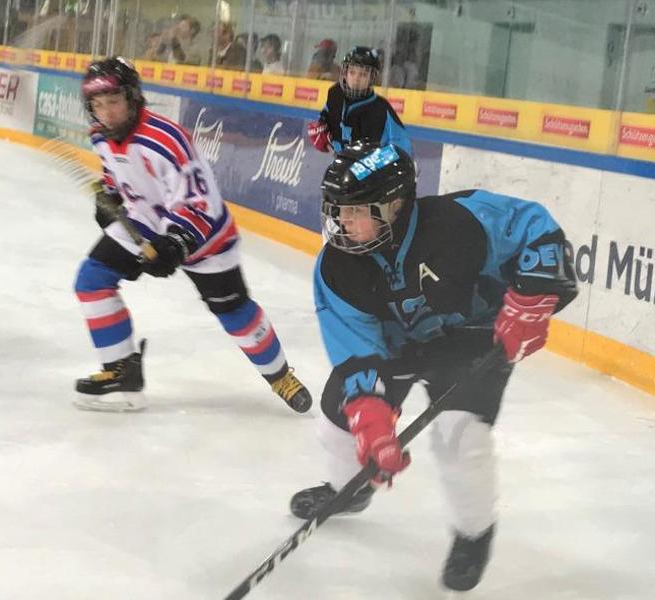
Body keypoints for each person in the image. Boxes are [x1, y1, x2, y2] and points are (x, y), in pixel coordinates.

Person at [291, 142, 578, 591]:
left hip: (471, 337)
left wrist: (535, 295)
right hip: (393, 345)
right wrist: (370, 414)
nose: (341, 223)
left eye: (355, 212)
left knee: (461, 439)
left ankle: (473, 533)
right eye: (337, 210)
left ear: (394, 205)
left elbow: (535, 228)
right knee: (337, 427)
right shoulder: (337, 268)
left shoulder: (459, 220)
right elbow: (355, 346)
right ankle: (350, 488)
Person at [72, 57, 313, 413]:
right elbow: (117, 177)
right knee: (91, 281)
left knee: (234, 312)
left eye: (113, 101)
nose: (106, 112)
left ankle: (279, 375)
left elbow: (200, 203)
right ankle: (121, 370)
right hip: (145, 222)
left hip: (205, 238)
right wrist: (110, 197)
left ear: (132, 97)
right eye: (98, 104)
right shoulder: (100, 136)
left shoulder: (166, 140)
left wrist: (175, 244)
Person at [307, 46, 412, 157]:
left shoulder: (380, 109)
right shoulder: (335, 95)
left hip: (369, 172)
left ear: (371, 78)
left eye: (363, 74)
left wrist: (381, 161)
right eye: (352, 72)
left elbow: (402, 148)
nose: (356, 79)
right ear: (345, 74)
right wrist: (321, 132)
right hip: (340, 166)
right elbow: (324, 120)